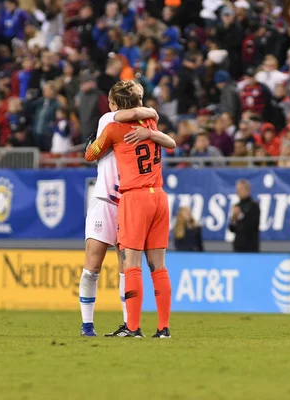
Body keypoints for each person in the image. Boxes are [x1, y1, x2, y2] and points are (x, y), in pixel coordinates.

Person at [85, 80, 176, 338]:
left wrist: (94, 143)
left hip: (135, 198)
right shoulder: (150, 124)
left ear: (115, 106)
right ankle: (164, 328)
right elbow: (171, 143)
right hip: (159, 195)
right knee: (158, 265)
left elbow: (91, 155)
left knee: (131, 263)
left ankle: (133, 327)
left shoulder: (113, 127)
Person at [228, 180, 260, 252]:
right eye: (237, 189)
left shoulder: (254, 206)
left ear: (247, 190)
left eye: (240, 189)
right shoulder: (237, 205)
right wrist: (234, 218)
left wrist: (240, 215)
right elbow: (231, 229)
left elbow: (253, 225)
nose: (238, 192)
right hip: (238, 247)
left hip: (250, 247)